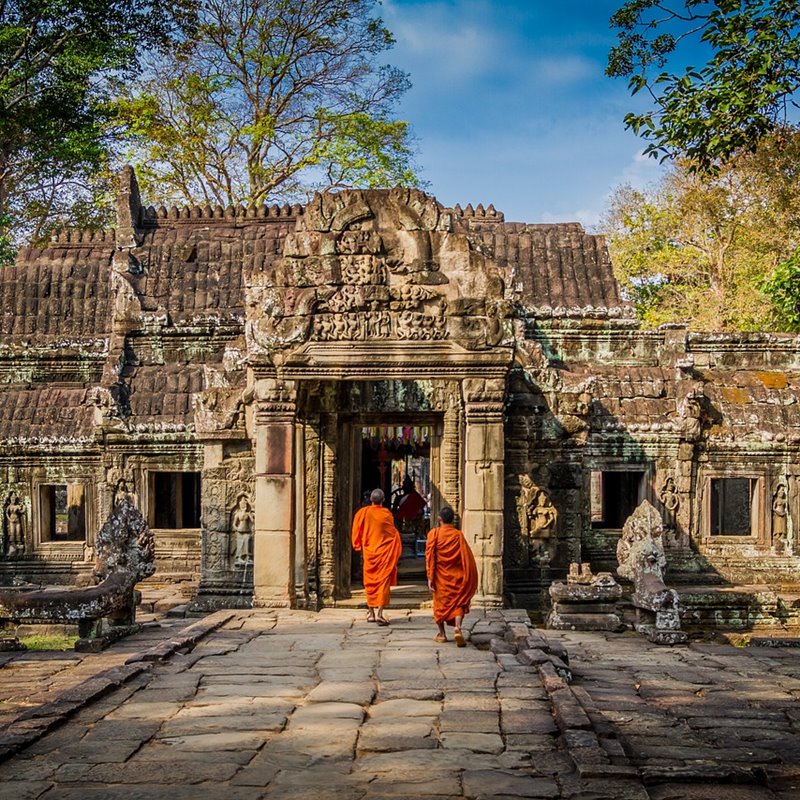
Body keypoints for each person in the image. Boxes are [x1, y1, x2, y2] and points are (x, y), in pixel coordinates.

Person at [425, 506, 477, 646]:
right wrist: (469, 574)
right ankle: (457, 628)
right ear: (453, 519)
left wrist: (430, 576)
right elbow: (466, 557)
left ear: (439, 519)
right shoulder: (458, 535)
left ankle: (442, 634)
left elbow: (430, 557)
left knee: (440, 605)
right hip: (457, 575)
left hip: (440, 576)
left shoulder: (434, 534)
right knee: (458, 601)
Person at [351, 488, 402, 625]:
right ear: (383, 500)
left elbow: (356, 531)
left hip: (369, 553)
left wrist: (357, 545)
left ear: (371, 500)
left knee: (370, 583)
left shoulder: (362, 513)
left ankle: (371, 614)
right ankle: (379, 612)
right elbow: (393, 534)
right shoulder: (386, 514)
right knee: (382, 583)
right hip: (383, 554)